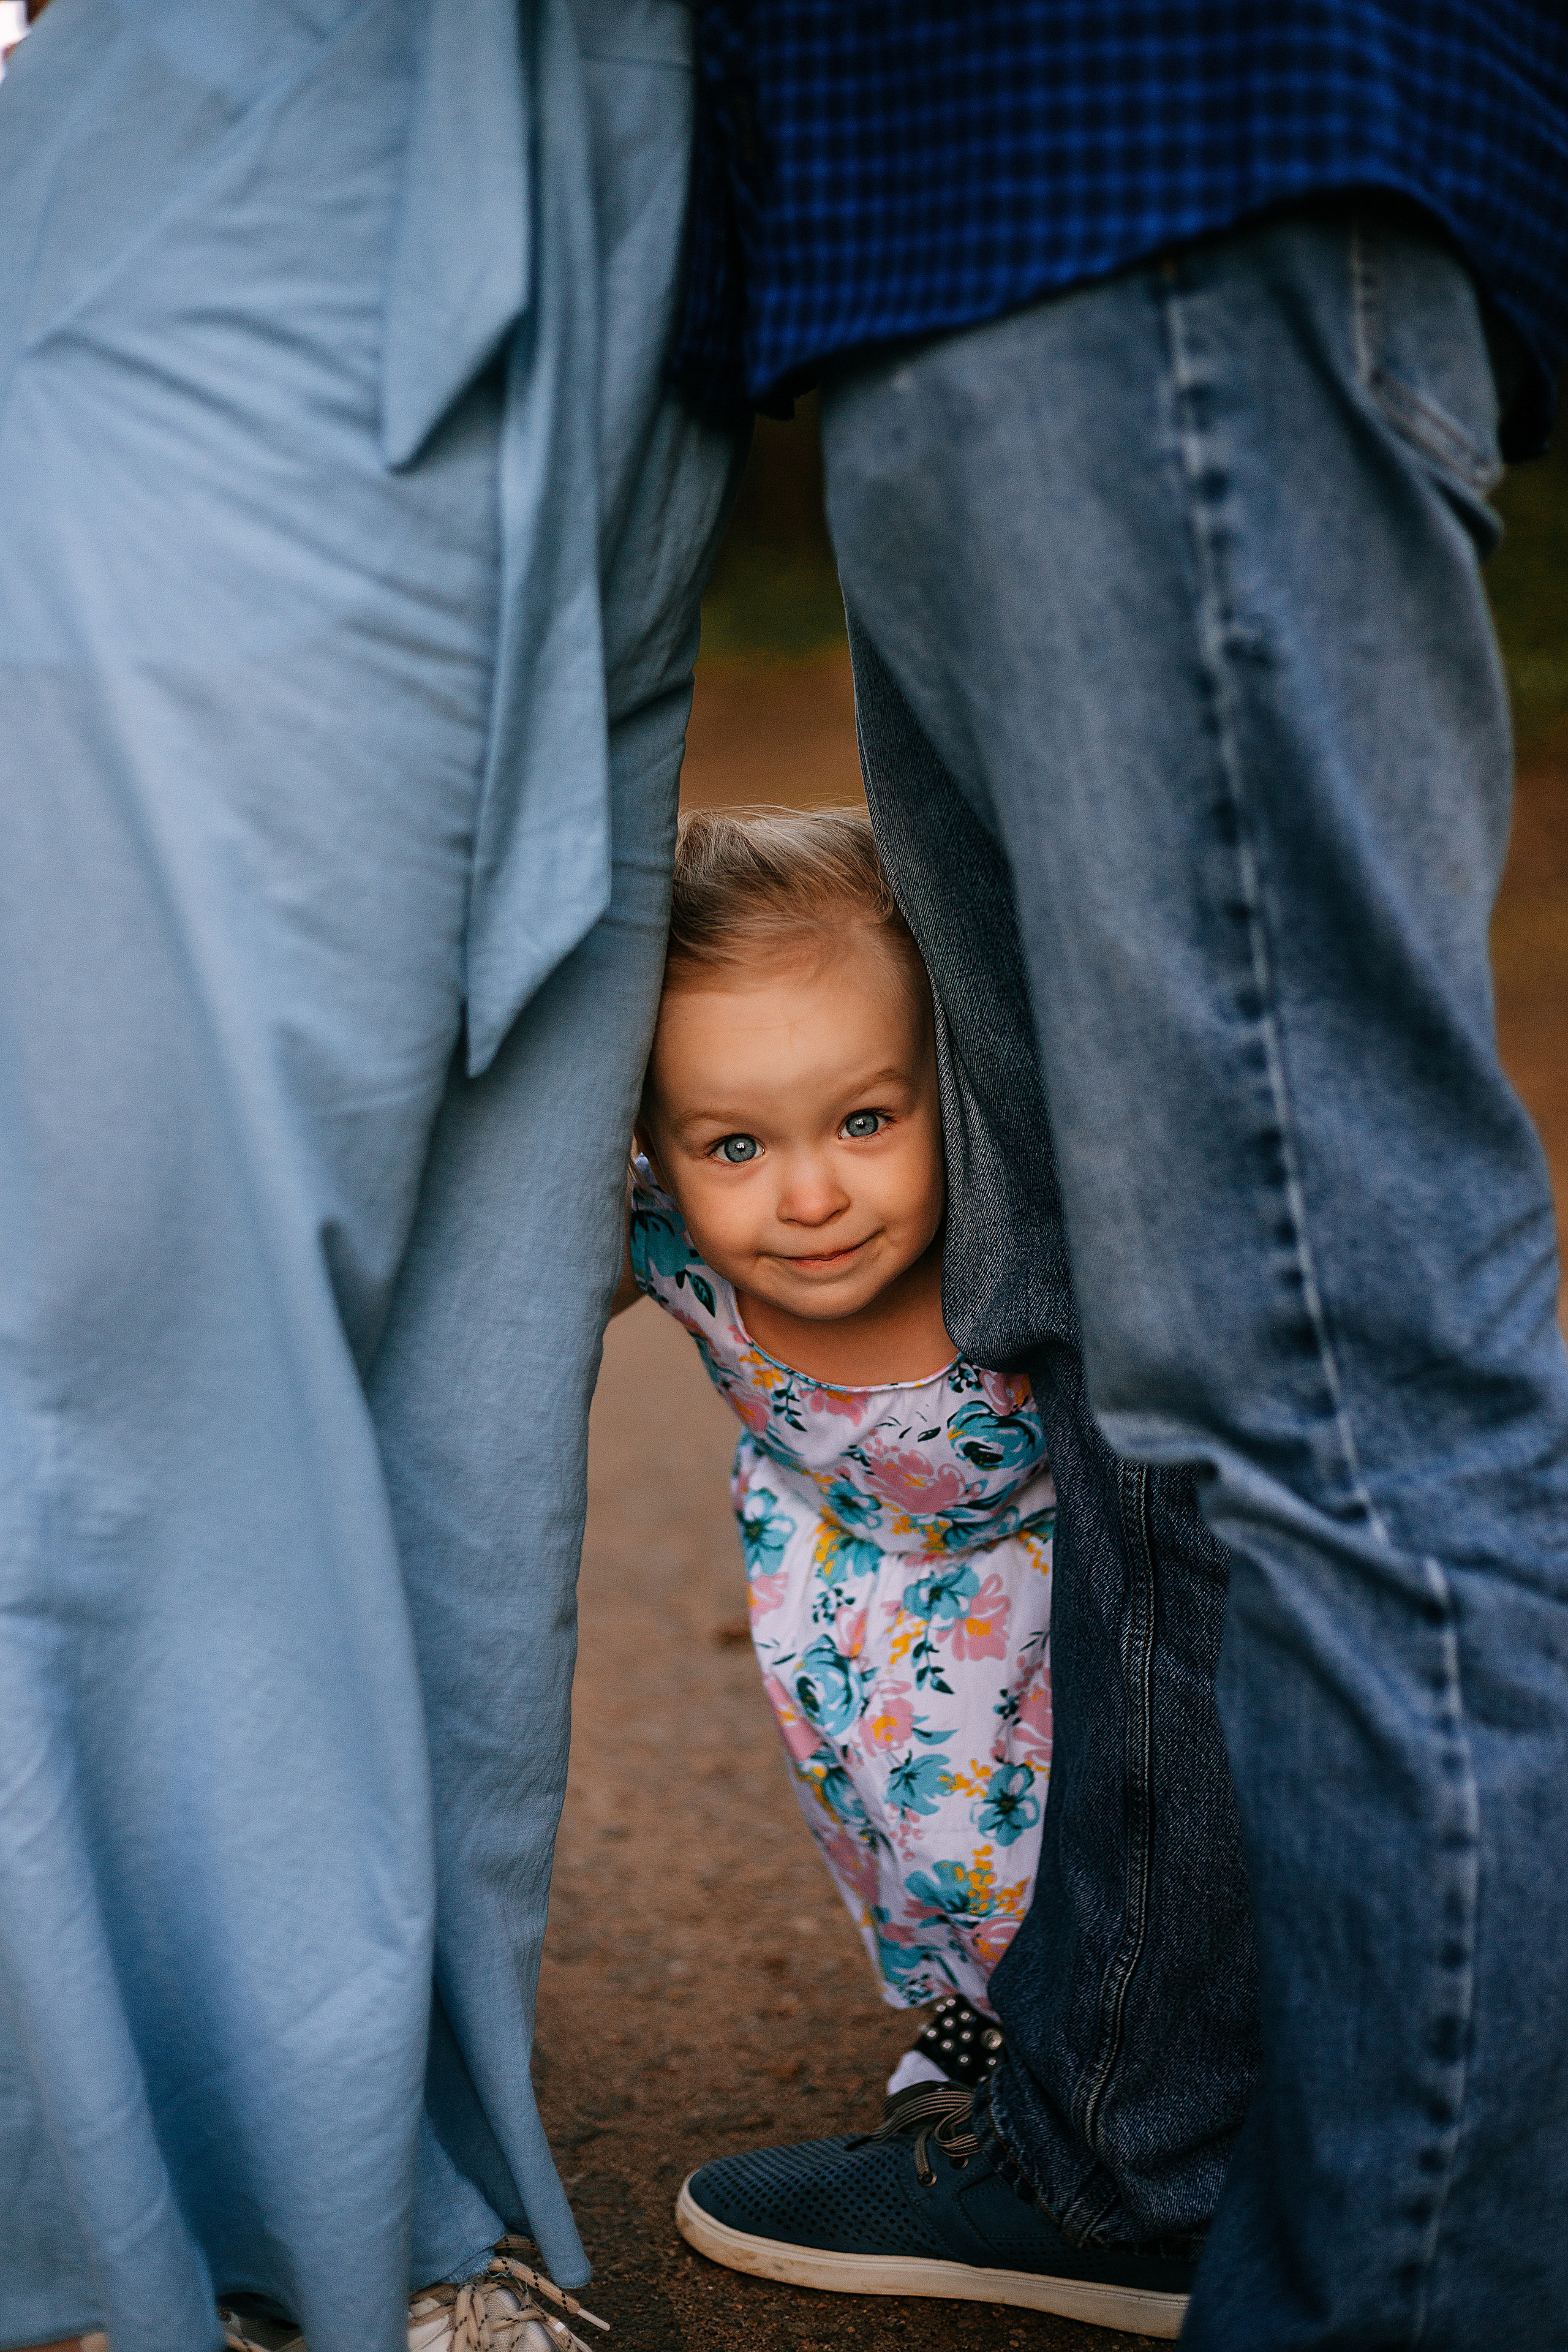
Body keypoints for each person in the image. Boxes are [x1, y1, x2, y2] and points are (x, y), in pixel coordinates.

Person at [670, 9, 1568, 2348]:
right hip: (921, 252)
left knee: (1329, 1352)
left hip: (1172, 167)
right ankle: (1131, 2140)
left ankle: (1420, 2290)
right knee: (1099, 1306)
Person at [0, 6, 737, 2351]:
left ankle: (375, 2159)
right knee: (151, 1321)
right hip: (260, 200)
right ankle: (113, 2233)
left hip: (648, 250)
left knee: (482, 1374)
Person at [619, 809, 1057, 2069]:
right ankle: (979, 2023)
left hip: (1040, 1575)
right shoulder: (673, 1247)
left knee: (1038, 1841)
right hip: (833, 1586)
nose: (810, 1199)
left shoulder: (1013, 1235)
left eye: (865, 1120)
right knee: (896, 1832)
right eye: (736, 1145)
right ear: (654, 1148)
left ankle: (1095, 2047)